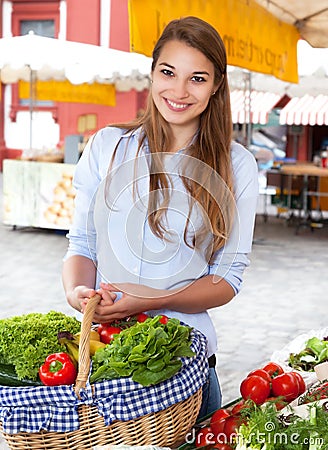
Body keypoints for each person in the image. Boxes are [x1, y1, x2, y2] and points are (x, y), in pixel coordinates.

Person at [62, 16, 259, 416]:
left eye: (197, 78)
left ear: (217, 85)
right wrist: (77, 291)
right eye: (168, 72)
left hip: (186, 369)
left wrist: (152, 300)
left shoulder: (237, 165)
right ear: (151, 73)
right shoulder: (108, 146)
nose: (179, 91)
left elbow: (228, 277)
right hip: (106, 363)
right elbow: (82, 243)